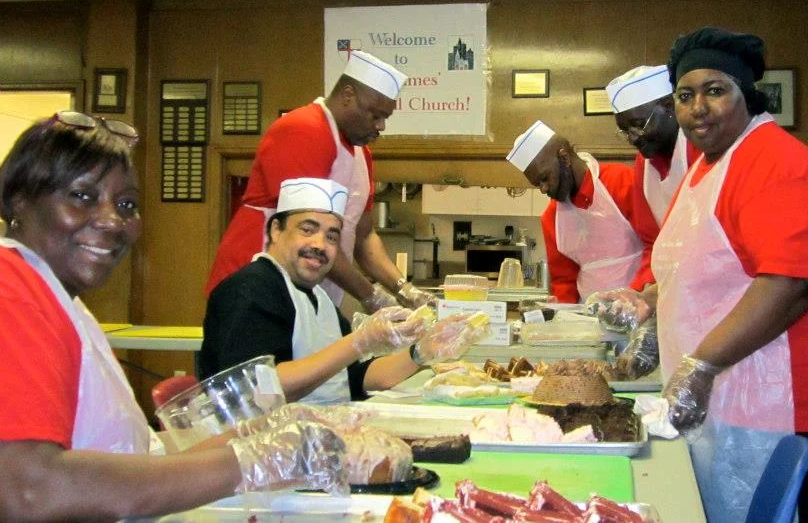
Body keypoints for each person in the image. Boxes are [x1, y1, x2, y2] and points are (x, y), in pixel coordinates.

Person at [0, 113, 349, 521]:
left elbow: (127, 457)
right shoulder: (12, 288)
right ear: (17, 201)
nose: (113, 220)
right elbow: (26, 490)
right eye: (82, 196)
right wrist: (249, 460)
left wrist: (256, 438)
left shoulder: (64, 301)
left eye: (127, 204)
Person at [600, 27, 808, 523]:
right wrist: (653, 320)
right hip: (741, 377)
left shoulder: (779, 164)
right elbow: (699, 267)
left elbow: (789, 286)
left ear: (747, 94)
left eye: (715, 90)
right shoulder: (708, 168)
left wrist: (700, 366)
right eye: (685, 95)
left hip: (796, 388)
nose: (697, 108)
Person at [201, 177, 483, 405]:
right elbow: (259, 390)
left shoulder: (319, 299)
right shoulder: (249, 290)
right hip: (258, 457)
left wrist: (422, 352)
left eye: (331, 236)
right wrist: (361, 340)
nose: (320, 244)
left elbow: (354, 378)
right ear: (275, 230)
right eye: (307, 229)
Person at [205, 50, 435, 312]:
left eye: (385, 118)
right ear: (348, 96)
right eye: (375, 115)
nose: (381, 125)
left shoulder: (361, 152)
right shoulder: (304, 128)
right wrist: (370, 295)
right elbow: (310, 232)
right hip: (255, 284)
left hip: (308, 284)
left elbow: (363, 234)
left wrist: (404, 289)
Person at [506, 120, 640, 303]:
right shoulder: (551, 218)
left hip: (640, 310)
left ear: (564, 158)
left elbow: (655, 247)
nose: (544, 189)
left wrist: (640, 299)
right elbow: (564, 281)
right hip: (589, 319)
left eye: (545, 178)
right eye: (538, 184)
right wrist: (561, 317)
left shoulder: (623, 182)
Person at [605, 64, 700, 289]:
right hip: (674, 286)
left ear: (669, 107)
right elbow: (652, 243)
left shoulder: (701, 150)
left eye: (639, 124)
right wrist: (641, 289)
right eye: (625, 130)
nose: (633, 138)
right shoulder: (644, 164)